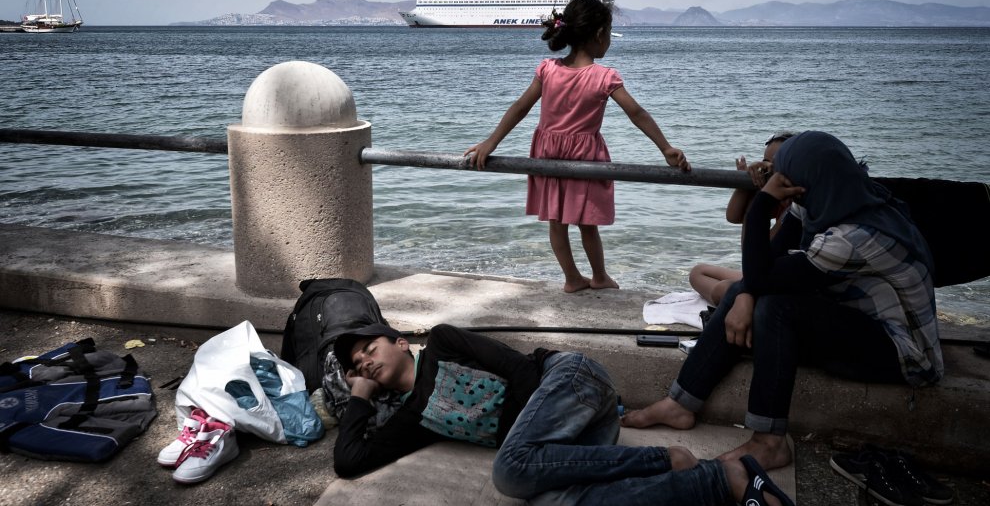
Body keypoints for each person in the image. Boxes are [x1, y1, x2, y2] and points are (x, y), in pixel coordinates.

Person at [622, 131, 943, 473]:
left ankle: (769, 443)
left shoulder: (854, 237)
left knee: (775, 308)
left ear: (804, 179)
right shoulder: (829, 197)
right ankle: (680, 404)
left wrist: (761, 205)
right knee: (741, 294)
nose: (776, 179)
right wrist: (744, 294)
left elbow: (763, 277)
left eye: (782, 173)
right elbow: (764, 266)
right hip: (857, 322)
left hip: (904, 355)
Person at [332, 323, 794, 506]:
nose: (364, 363)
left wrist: (528, 446)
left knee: (509, 474)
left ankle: (664, 458)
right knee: (556, 505)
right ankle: (725, 480)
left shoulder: (444, 343)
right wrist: (361, 396)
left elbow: (517, 369)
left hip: (570, 380)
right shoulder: (413, 419)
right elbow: (350, 461)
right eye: (357, 366)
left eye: (368, 350)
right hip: (565, 439)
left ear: (398, 341)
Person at [464, 0, 691, 293]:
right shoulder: (604, 77)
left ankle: (572, 278)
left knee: (556, 222)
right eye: (608, 33)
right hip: (585, 156)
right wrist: (665, 148)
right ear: (599, 35)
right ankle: (599, 276)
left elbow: (520, 107)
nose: (609, 40)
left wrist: (490, 142)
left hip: (547, 153)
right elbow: (636, 113)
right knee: (587, 223)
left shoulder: (547, 69)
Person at [689, 133, 794, 306]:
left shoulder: (794, 209)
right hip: (762, 274)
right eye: (764, 161)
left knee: (723, 289)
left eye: (774, 163)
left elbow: (752, 256)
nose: (766, 168)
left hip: (776, 284)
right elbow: (732, 216)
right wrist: (746, 186)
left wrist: (756, 205)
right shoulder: (777, 194)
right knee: (698, 272)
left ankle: (739, 302)